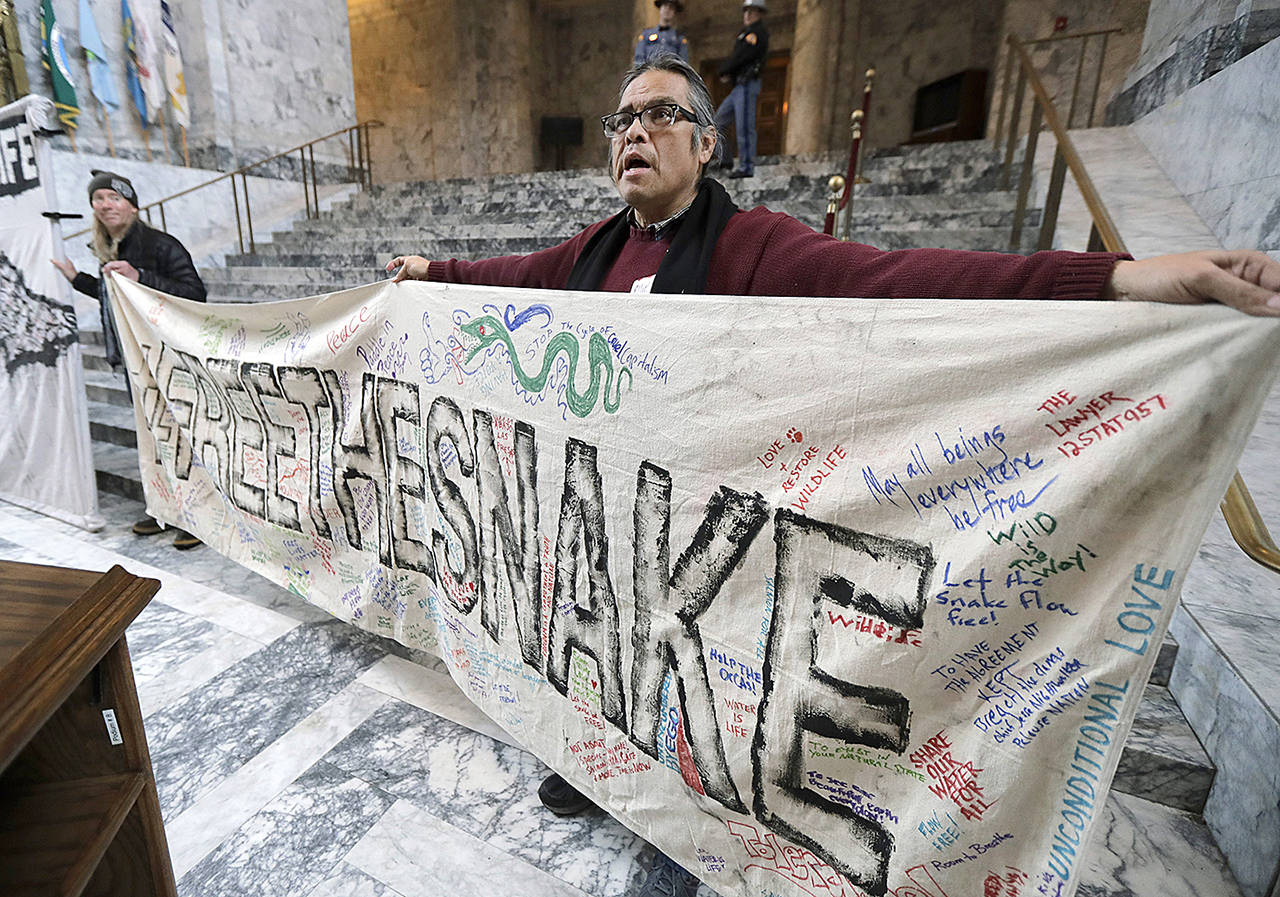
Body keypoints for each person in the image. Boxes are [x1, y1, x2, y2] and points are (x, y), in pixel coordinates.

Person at [386, 53, 1280, 897]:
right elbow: (506, 281)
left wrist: (1123, 278)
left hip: (701, 527)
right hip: (605, 512)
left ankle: (690, 812)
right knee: (598, 646)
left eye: (663, 114)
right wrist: (433, 272)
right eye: (624, 118)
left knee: (689, 673)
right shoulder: (592, 253)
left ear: (705, 144)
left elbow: (904, 278)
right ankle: (591, 760)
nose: (635, 131)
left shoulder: (752, 246)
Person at [52, 170, 209, 550]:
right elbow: (117, 301)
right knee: (152, 436)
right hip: (134, 358)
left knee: (179, 435)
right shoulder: (111, 248)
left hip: (166, 357)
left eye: (113, 197)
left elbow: (195, 293)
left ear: (132, 205)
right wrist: (78, 279)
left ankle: (199, 516)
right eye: (98, 199)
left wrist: (140, 275)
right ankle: (165, 508)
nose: (105, 205)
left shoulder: (158, 244)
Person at [714, 0, 769, 178]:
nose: (747, 15)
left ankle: (746, 166)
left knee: (745, 126)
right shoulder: (745, 33)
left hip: (747, 84)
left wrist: (726, 69)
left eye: (752, 12)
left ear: (760, 14)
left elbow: (743, 56)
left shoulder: (758, 33)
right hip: (738, 86)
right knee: (719, 121)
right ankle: (726, 159)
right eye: (746, 12)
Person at [635, 0, 689, 66]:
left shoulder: (679, 38)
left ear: (674, 12)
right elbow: (639, 58)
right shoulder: (646, 34)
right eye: (665, 6)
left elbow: (683, 62)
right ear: (660, 8)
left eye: (671, 8)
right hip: (649, 72)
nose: (667, 10)